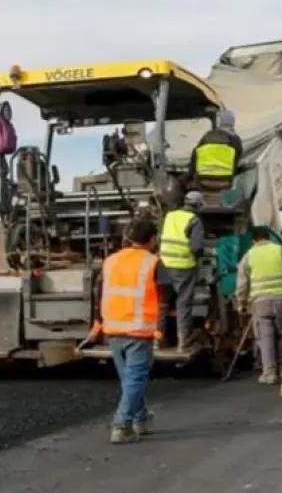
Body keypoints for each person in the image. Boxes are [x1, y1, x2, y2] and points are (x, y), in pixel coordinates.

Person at [91, 219, 170, 444]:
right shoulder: (153, 262)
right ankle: (121, 425)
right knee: (135, 379)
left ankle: (141, 419)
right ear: (152, 239)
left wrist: (98, 322)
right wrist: (161, 329)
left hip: (114, 328)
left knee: (129, 379)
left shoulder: (110, 261)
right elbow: (166, 296)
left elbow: (99, 292)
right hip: (139, 330)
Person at [235, 226, 282, 384]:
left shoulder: (249, 256)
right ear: (268, 237)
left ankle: (269, 374)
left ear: (254, 240)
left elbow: (242, 284)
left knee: (265, 339)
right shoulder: (279, 250)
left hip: (260, 303)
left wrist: (241, 303)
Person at [158, 191, 206, 352]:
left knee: (163, 304)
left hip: (164, 265)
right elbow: (197, 247)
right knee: (183, 304)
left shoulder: (170, 216)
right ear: (198, 205)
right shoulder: (195, 220)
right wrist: (200, 258)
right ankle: (183, 342)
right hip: (184, 267)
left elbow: (160, 238)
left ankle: (158, 340)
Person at [186, 109, 244, 191]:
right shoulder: (236, 140)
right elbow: (236, 161)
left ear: (218, 122)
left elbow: (194, 157)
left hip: (203, 180)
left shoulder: (207, 136)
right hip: (226, 181)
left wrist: (189, 175)